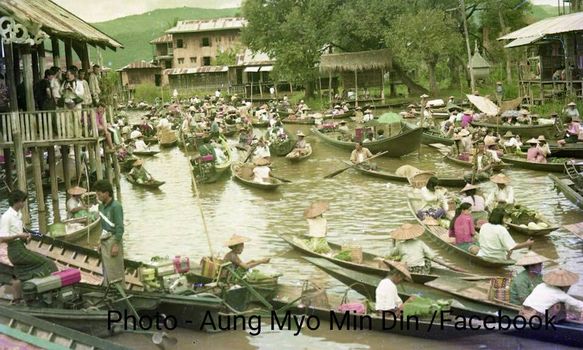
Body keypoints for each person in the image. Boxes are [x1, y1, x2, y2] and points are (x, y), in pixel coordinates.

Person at [0, 190, 58, 302]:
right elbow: (2, 238)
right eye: (22, 201)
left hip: (21, 247)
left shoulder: (18, 215)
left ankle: (34, 293)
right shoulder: (7, 217)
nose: (23, 204)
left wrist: (26, 237)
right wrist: (19, 235)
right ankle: (53, 291)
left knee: (43, 263)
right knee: (47, 263)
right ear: (17, 202)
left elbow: (19, 233)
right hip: (15, 251)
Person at [94, 180, 125, 287]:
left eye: (99, 194)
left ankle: (120, 291)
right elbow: (103, 227)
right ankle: (109, 290)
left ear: (107, 193)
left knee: (115, 269)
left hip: (113, 239)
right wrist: (99, 241)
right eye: (97, 194)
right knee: (106, 269)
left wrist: (116, 244)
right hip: (104, 240)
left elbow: (120, 227)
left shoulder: (116, 206)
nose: (98, 196)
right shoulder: (101, 207)